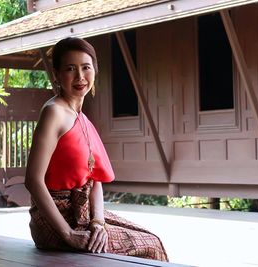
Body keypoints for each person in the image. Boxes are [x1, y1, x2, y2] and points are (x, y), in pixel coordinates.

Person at [25, 37, 168, 262]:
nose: (80, 77)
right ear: (56, 74)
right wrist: (68, 234)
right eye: (70, 68)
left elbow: (94, 180)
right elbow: (33, 180)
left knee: (151, 239)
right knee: (150, 248)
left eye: (86, 68)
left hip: (83, 214)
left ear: (95, 71)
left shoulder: (80, 117)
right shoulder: (54, 112)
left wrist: (98, 222)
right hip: (56, 219)